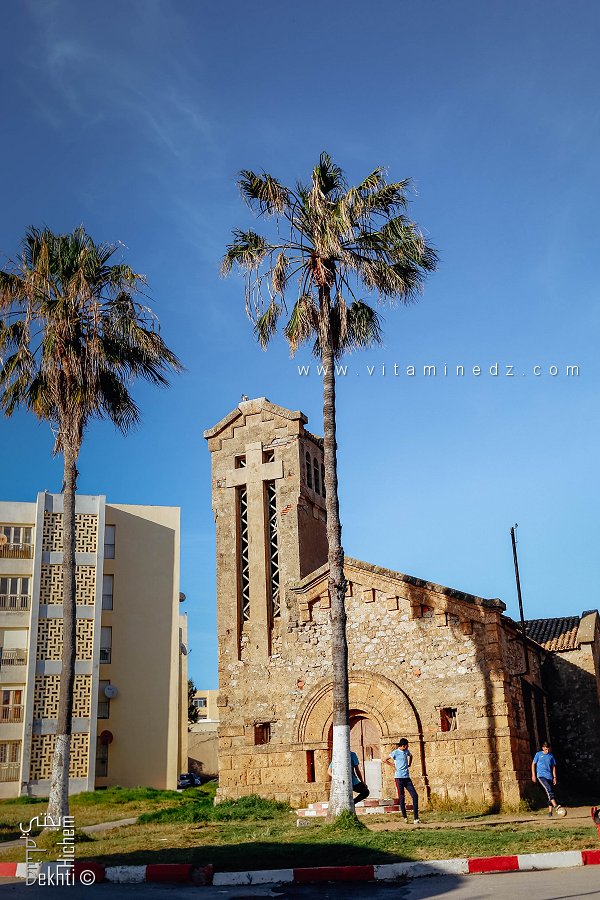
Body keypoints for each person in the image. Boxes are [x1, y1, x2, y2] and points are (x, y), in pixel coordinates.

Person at [385, 738, 420, 824]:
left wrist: (410, 764)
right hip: (398, 778)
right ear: (403, 745)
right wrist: (393, 765)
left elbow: (411, 756)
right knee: (402, 797)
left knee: (415, 795)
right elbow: (385, 760)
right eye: (407, 745)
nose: (408, 747)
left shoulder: (406, 751)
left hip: (407, 778)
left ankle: (416, 818)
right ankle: (404, 816)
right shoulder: (395, 752)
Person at [531, 741, 564, 817]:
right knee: (548, 789)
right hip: (541, 776)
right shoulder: (538, 754)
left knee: (551, 792)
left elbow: (553, 767)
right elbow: (533, 764)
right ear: (543, 748)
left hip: (550, 777)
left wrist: (554, 777)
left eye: (548, 749)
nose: (547, 751)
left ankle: (550, 812)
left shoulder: (551, 756)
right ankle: (556, 806)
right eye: (546, 749)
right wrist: (533, 775)